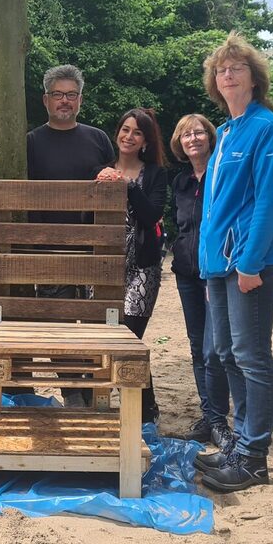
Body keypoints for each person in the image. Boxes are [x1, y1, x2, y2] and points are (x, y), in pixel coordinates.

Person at [195, 33, 273, 492]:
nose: (227, 74)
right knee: (227, 353)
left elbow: (269, 203)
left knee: (252, 356)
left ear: (254, 78)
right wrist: (207, 261)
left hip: (247, 263)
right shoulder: (226, 132)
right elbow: (215, 206)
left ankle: (254, 456)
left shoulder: (267, 127)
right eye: (221, 69)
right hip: (217, 265)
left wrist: (249, 262)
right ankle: (238, 444)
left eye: (236, 68)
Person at [26, 64, 115, 407]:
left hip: (94, 250)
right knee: (59, 325)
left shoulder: (98, 138)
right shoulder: (31, 142)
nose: (65, 101)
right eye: (58, 95)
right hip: (49, 250)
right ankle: (73, 392)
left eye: (71, 95)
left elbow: (108, 181)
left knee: (95, 326)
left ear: (80, 100)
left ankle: (94, 392)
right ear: (45, 100)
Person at [95, 109, 168, 425]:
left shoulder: (154, 174)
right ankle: (135, 409)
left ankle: (145, 413)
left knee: (128, 340)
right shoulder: (100, 170)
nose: (129, 136)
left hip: (142, 268)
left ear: (145, 142)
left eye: (137, 132)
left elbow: (152, 215)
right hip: (105, 266)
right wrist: (98, 185)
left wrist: (128, 185)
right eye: (125, 129)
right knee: (106, 340)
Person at [169, 113, 231, 448]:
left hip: (215, 274)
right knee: (197, 348)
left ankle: (219, 419)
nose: (193, 139)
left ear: (210, 137)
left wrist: (213, 272)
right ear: (179, 143)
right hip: (186, 273)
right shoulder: (180, 182)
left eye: (199, 133)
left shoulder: (221, 175)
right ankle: (209, 416)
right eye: (186, 135)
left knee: (214, 350)